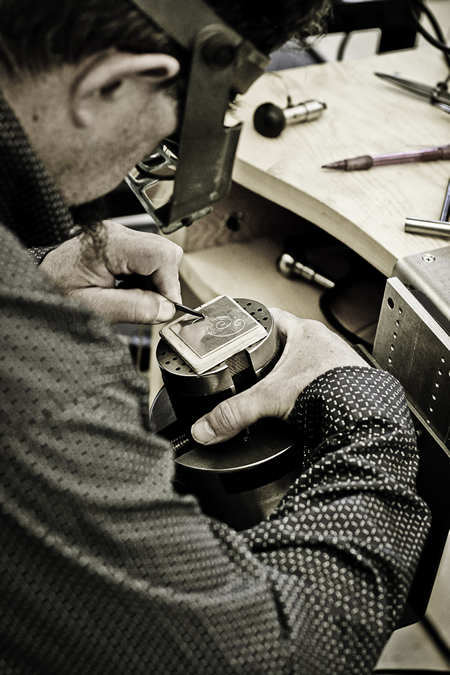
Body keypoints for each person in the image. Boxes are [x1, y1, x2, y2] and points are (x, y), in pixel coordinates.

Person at [0, 1, 430, 673]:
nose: (164, 154)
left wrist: (33, 271)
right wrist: (364, 410)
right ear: (109, 85)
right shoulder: (33, 374)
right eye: (196, 117)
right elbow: (267, 655)